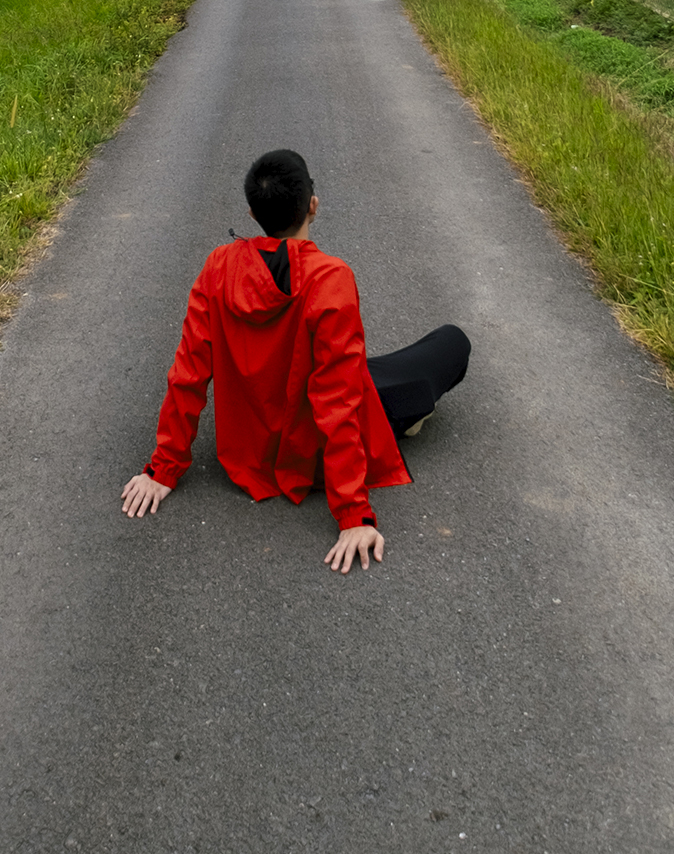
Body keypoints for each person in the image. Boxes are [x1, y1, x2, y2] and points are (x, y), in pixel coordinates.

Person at [119, 146, 471, 575]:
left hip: (249, 449)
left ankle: (408, 408)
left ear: (251, 214)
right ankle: (409, 416)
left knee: (374, 368)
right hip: (310, 454)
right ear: (313, 206)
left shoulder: (218, 267)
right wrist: (353, 514)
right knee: (452, 342)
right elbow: (338, 400)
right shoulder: (330, 278)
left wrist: (164, 466)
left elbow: (188, 372)